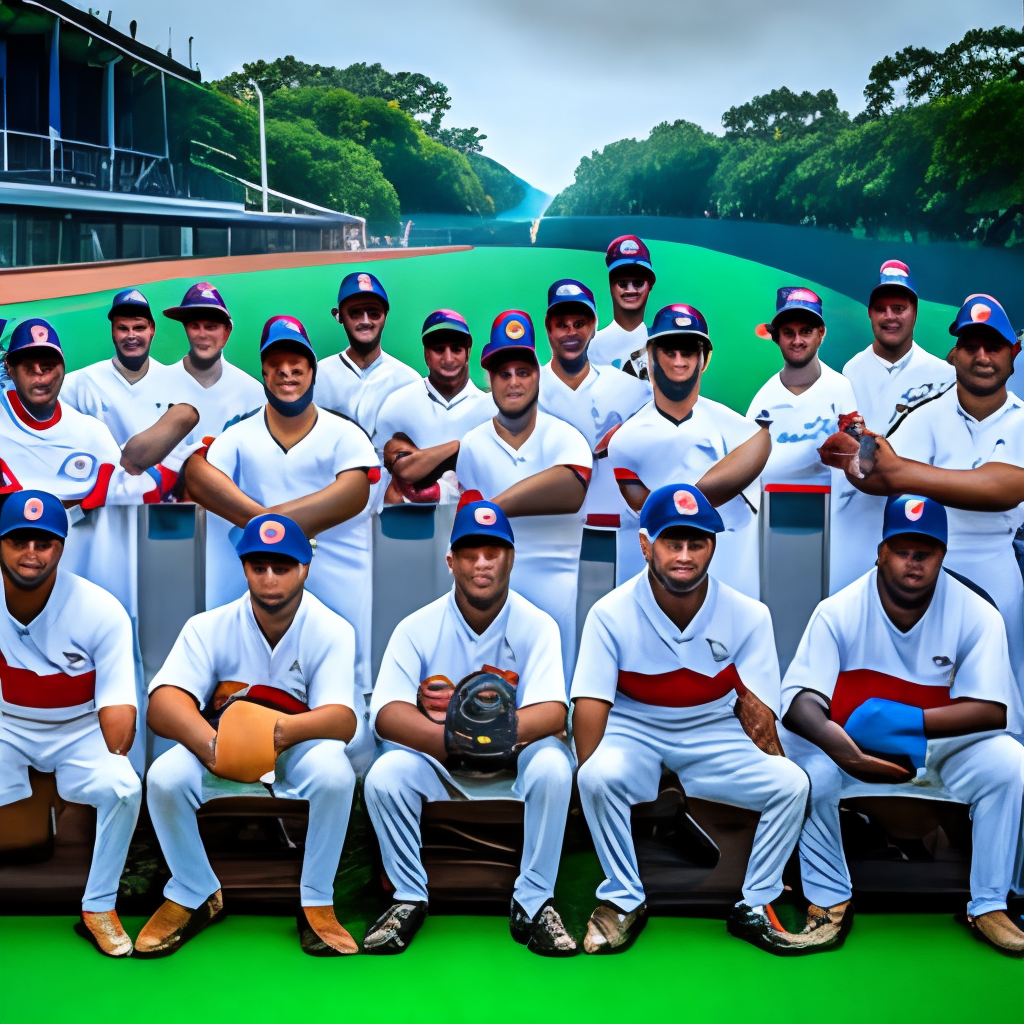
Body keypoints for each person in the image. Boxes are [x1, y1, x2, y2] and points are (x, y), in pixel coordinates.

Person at [571, 484, 819, 955]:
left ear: (713, 546)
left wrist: (767, 751)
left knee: (791, 784)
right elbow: (589, 711)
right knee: (597, 774)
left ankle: (757, 900)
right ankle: (624, 898)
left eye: (697, 543)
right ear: (646, 544)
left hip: (711, 728)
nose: (684, 556)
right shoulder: (609, 613)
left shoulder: (750, 614)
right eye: (672, 542)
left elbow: (764, 722)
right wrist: (593, 786)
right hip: (635, 727)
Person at [781, 495, 1024, 957]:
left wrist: (905, 720)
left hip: (942, 749)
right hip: (858, 749)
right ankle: (829, 898)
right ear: (881, 551)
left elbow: (994, 710)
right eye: (902, 550)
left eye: (924, 553)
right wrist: (846, 752)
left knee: (1009, 761)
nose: (912, 563)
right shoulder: (839, 609)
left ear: (942, 556)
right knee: (807, 769)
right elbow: (799, 702)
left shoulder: (976, 612)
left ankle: (989, 903)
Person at [139, 514, 365, 958]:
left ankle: (316, 899)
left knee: (335, 775)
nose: (269, 578)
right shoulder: (208, 626)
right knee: (165, 776)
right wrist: (213, 746)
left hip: (293, 753)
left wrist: (274, 732)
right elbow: (163, 704)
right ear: (244, 568)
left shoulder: (331, 628)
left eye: (281, 567)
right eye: (258, 566)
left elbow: (341, 720)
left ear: (304, 568)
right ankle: (193, 889)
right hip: (220, 751)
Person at [363, 498, 576, 955]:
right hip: (442, 765)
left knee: (555, 764)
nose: (482, 563)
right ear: (451, 560)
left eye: (493, 551)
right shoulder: (417, 627)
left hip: (513, 765)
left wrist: (487, 737)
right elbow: (385, 714)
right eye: (470, 552)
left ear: (511, 558)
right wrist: (451, 740)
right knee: (386, 773)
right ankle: (408, 896)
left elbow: (554, 712)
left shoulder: (537, 626)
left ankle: (535, 900)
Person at [183, 316, 378, 697]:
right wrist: (273, 531)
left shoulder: (345, 434)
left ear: (312, 371)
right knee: (243, 703)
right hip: (254, 597)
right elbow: (199, 479)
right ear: (264, 371)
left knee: (341, 718)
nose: (287, 374)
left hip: (332, 595)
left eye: (296, 367)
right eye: (277, 367)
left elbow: (353, 493)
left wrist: (264, 531)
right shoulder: (237, 436)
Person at [0, 491, 140, 957]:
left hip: (78, 729)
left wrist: (113, 736)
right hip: (6, 727)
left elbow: (118, 725)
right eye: (19, 540)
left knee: (123, 787)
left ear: (61, 546)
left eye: (44, 542)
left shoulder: (100, 609)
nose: (31, 553)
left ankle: (98, 905)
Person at [881, 294, 1024, 699]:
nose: (982, 357)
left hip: (998, 565)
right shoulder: (926, 414)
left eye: (993, 346)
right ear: (953, 353)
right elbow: (876, 476)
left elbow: (1003, 490)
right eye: (971, 345)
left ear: (1014, 353)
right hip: (929, 568)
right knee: (922, 682)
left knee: (1004, 684)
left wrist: (905, 472)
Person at [1, 318, 193, 613]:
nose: (40, 377)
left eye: (48, 366)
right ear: (11, 369)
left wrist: (182, 457)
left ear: (63, 369)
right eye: (28, 367)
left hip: (72, 572)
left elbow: (128, 491)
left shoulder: (89, 433)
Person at [455, 311, 592, 681]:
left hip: (556, 588)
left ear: (538, 376)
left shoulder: (566, 436)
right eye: (503, 374)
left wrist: (490, 509)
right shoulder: (473, 443)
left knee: (550, 699)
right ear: (490, 379)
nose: (513, 382)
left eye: (523, 372)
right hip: (490, 591)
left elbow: (571, 488)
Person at [608, 304, 770, 597]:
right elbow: (652, 516)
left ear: (704, 359)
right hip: (653, 600)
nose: (679, 361)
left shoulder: (743, 431)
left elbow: (759, 442)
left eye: (689, 351)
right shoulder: (625, 441)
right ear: (651, 356)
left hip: (732, 594)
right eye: (670, 351)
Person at [832, 261, 955, 591]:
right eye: (881, 309)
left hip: (919, 518)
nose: (890, 317)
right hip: (858, 515)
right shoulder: (851, 371)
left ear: (914, 312)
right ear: (870, 314)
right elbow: (853, 444)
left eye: (899, 308)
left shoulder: (943, 375)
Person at [538, 279, 650, 529]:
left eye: (579, 324)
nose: (571, 333)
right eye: (561, 325)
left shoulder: (630, 389)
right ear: (548, 329)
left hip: (619, 529)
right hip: (549, 529)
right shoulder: (529, 391)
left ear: (594, 325)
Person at [62, 289, 200, 476]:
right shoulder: (78, 383)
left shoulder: (179, 384)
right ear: (112, 331)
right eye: (123, 328)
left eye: (139, 327)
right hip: (101, 490)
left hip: (162, 494)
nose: (131, 335)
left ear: (152, 329)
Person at [372, 309, 494, 504]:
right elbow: (380, 484)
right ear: (426, 353)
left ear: (468, 352)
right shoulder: (397, 405)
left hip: (477, 527)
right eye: (439, 349)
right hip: (411, 528)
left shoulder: (491, 410)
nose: (448, 359)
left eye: (456, 349)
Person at [747, 287, 857, 488]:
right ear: (776, 337)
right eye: (789, 333)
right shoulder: (763, 402)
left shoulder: (842, 388)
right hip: (775, 513)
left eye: (806, 331)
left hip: (832, 513)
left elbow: (860, 459)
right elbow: (747, 470)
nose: (797, 341)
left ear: (821, 334)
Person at [316, 271, 419, 438]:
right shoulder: (318, 376)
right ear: (339, 316)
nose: (365, 321)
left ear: (385, 316)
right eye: (355, 312)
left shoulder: (409, 380)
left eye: (374, 313)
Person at [161, 282, 264, 440]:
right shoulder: (158, 384)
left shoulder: (252, 392)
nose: (202, 334)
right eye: (195, 326)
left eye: (210, 327)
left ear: (227, 332)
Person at [588, 235, 656, 376]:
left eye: (638, 282)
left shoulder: (663, 345)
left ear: (650, 285)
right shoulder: (592, 347)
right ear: (611, 287)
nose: (630, 290)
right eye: (622, 283)